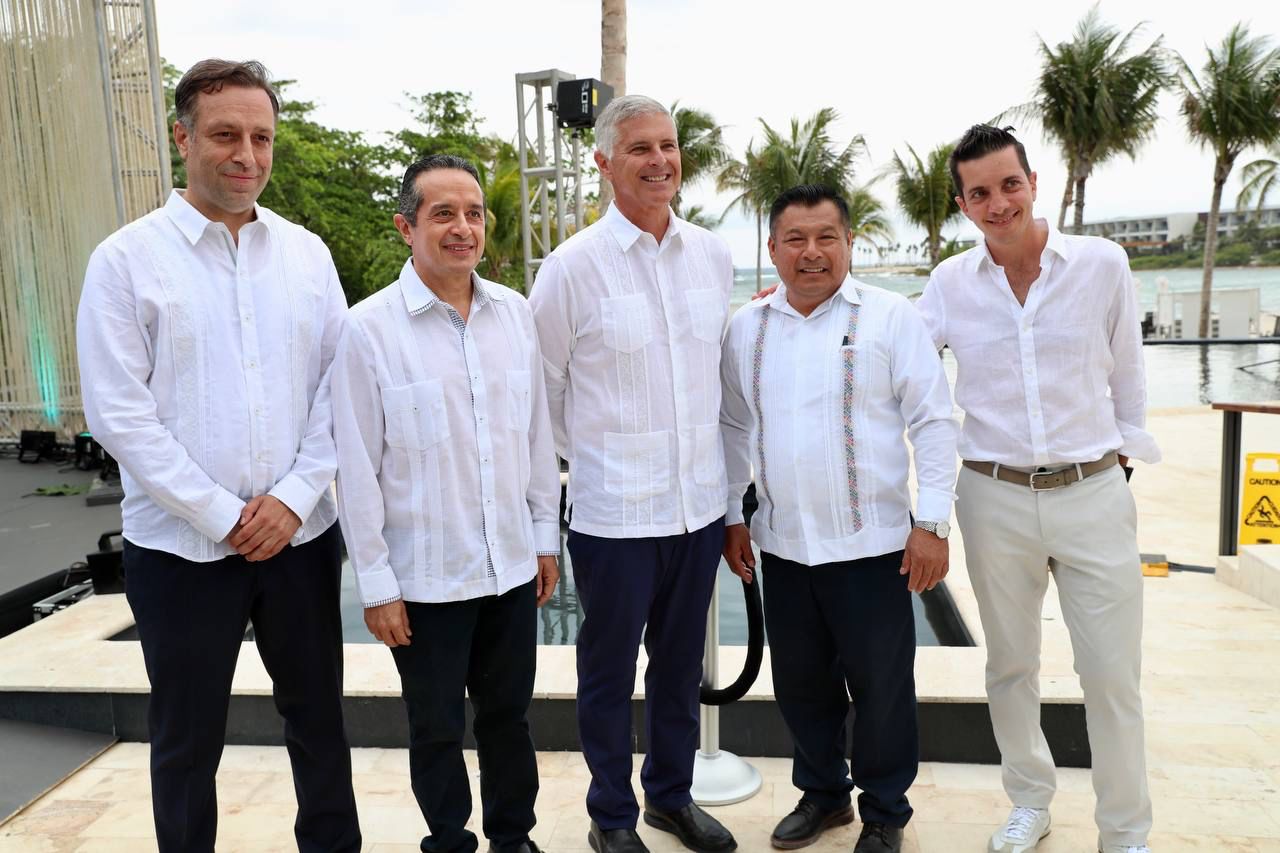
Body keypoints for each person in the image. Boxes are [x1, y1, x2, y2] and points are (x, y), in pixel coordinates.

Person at [76, 59, 360, 852]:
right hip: (180, 547)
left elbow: (342, 388)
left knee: (320, 723)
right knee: (186, 738)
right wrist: (224, 514)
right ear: (183, 137)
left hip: (301, 538)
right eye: (226, 134)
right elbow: (119, 414)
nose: (247, 154)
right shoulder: (125, 261)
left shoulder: (307, 255)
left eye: (261, 137)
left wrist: (294, 497)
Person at [916, 124, 1159, 853]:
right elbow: (898, 357)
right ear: (963, 204)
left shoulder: (1102, 264)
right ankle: (1030, 802)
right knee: (1011, 665)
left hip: (1092, 491)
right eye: (980, 193)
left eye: (1009, 184)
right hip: (993, 497)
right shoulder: (949, 283)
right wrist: (796, 295)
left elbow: (1128, 373)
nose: (999, 204)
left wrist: (1119, 459)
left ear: (1032, 182)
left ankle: (1125, 832)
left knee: (1111, 675)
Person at [330, 154, 561, 853]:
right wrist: (377, 584)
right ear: (406, 226)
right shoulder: (368, 330)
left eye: (473, 213)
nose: (463, 228)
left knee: (508, 718)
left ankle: (513, 838)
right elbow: (357, 470)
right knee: (435, 726)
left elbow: (536, 435)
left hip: (509, 568)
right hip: (426, 581)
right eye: (443, 214)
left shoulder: (514, 315)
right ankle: (450, 840)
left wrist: (543, 538)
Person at [721, 185, 957, 853]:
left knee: (882, 689)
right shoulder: (747, 328)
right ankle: (824, 795)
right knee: (801, 686)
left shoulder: (890, 317)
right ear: (773, 249)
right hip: (785, 546)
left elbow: (934, 420)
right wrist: (731, 515)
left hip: (874, 546)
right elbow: (731, 426)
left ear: (849, 242)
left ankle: (884, 811)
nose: (812, 252)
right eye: (795, 239)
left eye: (826, 236)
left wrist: (932, 522)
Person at [528, 94, 736, 853]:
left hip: (696, 509)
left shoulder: (712, 256)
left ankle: (670, 799)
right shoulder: (571, 269)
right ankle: (611, 816)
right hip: (614, 514)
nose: (659, 161)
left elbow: (719, 383)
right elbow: (543, 392)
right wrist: (600, 454)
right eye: (640, 148)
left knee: (679, 671)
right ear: (604, 161)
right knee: (608, 674)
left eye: (668, 146)